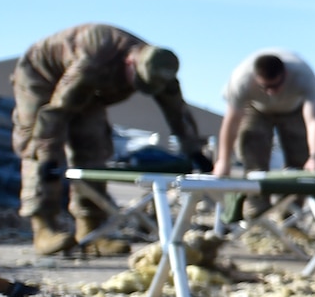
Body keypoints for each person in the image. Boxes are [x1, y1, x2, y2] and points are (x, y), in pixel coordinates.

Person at [10, 23, 205, 257]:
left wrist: (195, 151)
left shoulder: (161, 71)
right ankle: (44, 228)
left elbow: (178, 114)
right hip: (41, 75)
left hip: (90, 89)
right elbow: (56, 110)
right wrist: (48, 157)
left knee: (94, 146)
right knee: (39, 145)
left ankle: (91, 229)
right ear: (130, 62)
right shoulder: (95, 57)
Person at [214, 49, 315, 178]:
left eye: (275, 86)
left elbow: (314, 121)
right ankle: (257, 194)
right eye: (265, 87)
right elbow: (232, 121)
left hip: (293, 109)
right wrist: (223, 160)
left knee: (301, 159)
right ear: (256, 78)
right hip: (257, 109)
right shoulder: (241, 79)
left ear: (286, 74)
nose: (271, 92)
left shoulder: (304, 76)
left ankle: (294, 196)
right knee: (252, 149)